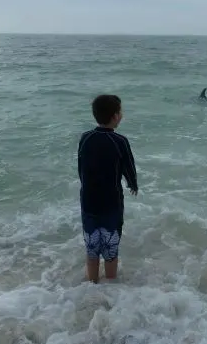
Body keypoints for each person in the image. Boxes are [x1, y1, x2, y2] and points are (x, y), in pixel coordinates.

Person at [77, 94, 138, 283]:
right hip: (111, 204)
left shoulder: (85, 138)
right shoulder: (119, 141)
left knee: (92, 248)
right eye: (120, 112)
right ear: (114, 116)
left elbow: (81, 166)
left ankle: (92, 283)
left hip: (88, 202)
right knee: (111, 249)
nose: (121, 115)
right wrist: (133, 184)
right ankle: (111, 285)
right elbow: (129, 166)